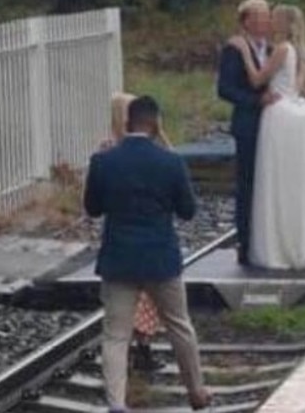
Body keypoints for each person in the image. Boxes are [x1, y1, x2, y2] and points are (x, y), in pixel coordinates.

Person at [84, 96, 212, 413]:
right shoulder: (170, 162)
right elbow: (187, 211)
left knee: (115, 334)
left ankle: (116, 403)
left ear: (128, 122)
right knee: (179, 325)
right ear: (155, 123)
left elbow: (93, 208)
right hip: (160, 259)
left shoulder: (104, 161)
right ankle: (196, 393)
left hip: (119, 259)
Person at [235, 4, 305, 270]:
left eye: (273, 18)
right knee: (288, 181)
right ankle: (293, 242)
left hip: (276, 116)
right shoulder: (296, 51)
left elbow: (256, 80)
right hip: (291, 111)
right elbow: (294, 87)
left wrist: (244, 52)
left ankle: (276, 245)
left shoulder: (282, 49)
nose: (269, 22)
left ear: (284, 24)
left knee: (274, 180)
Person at [101, 92, 169, 373]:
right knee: (144, 298)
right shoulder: (152, 152)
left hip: (120, 238)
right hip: (148, 239)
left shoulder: (109, 154)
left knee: (130, 301)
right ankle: (141, 347)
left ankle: (136, 349)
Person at [217, 0, 280, 265]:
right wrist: (255, 101)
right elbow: (225, 88)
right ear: (246, 21)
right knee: (248, 182)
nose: (266, 21)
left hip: (276, 124)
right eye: (260, 17)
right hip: (249, 124)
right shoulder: (235, 49)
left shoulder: (275, 48)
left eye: (267, 16)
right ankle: (246, 241)